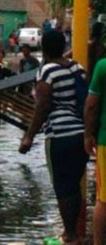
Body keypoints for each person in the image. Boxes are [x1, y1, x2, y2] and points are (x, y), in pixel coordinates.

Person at [20, 31, 89, 245]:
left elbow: (42, 106)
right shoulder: (77, 68)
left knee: (61, 185)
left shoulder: (48, 72)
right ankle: (74, 233)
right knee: (74, 184)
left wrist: (28, 136)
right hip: (80, 134)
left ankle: (69, 235)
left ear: (45, 48)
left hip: (59, 135)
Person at [85, 57, 106, 245]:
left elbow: (91, 105)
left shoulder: (102, 66)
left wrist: (88, 134)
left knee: (104, 199)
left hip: (105, 141)